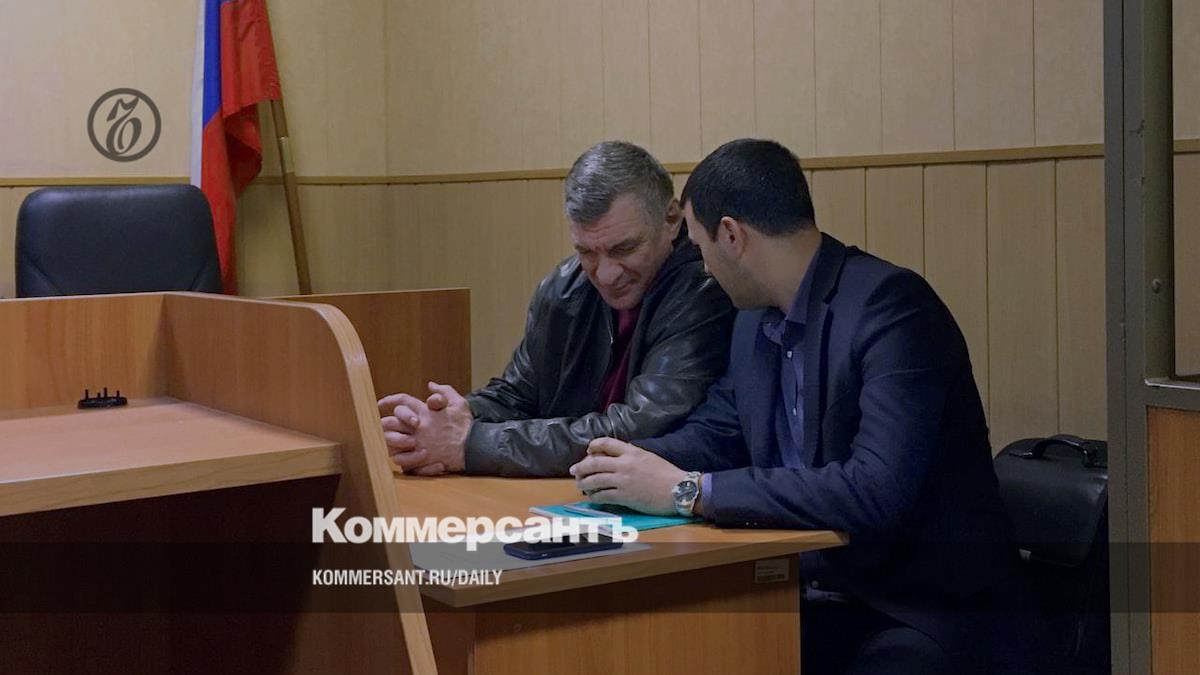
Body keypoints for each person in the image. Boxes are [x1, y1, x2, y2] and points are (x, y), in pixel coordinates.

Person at [570, 139, 1040, 673]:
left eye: (700, 248)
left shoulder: (893, 309)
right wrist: (623, 465)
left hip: (920, 607)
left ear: (732, 236)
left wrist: (689, 492)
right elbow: (719, 433)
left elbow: (874, 491)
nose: (704, 269)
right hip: (812, 592)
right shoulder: (753, 319)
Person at [378, 140, 735, 477]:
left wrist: (471, 443)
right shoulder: (564, 288)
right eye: (587, 252)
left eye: (624, 249)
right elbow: (517, 395)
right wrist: (447, 421)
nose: (606, 274)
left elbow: (639, 427)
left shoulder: (703, 290)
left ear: (671, 219)